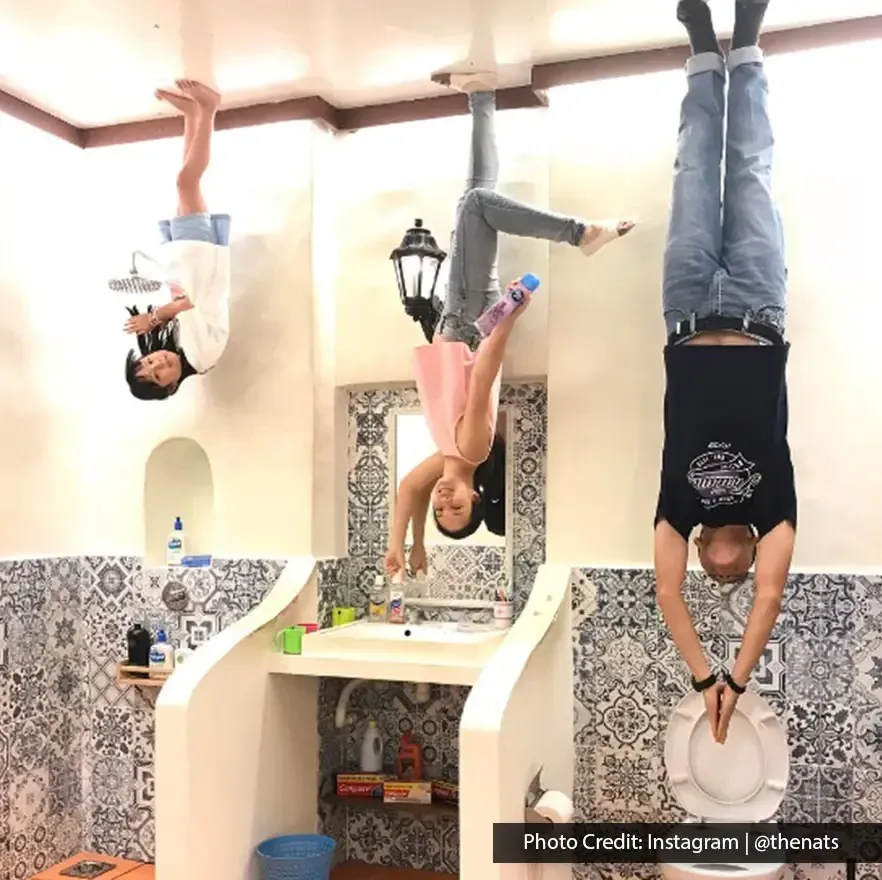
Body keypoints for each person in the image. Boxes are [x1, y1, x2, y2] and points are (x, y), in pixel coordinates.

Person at [385, 71, 636, 579]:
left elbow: (407, 489)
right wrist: (511, 315)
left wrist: (409, 546)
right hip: (467, 327)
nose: (443, 500)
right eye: (458, 507)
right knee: (475, 205)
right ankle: (580, 233)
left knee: (476, 196)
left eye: (440, 511)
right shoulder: (471, 448)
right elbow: (482, 375)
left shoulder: (446, 457)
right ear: (477, 497)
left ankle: (481, 95)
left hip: (468, 323)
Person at [654, 0, 796, 745]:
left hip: (685, 309)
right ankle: (747, 41)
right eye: (733, 573)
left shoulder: (679, 505)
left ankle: (700, 46)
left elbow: (666, 594)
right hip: (757, 307)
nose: (720, 570)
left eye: (711, 571)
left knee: (691, 169)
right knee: (751, 170)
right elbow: (769, 598)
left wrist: (703, 675)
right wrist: (736, 681)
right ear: (745, 557)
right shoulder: (772, 504)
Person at [124, 79, 231, 400]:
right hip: (198, 259)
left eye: (148, 362)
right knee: (186, 182)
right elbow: (189, 304)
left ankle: (191, 115)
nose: (158, 362)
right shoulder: (200, 356)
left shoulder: (184, 350)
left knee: (184, 181)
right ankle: (209, 108)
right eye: (158, 374)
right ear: (171, 386)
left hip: (186, 259)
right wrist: (154, 317)